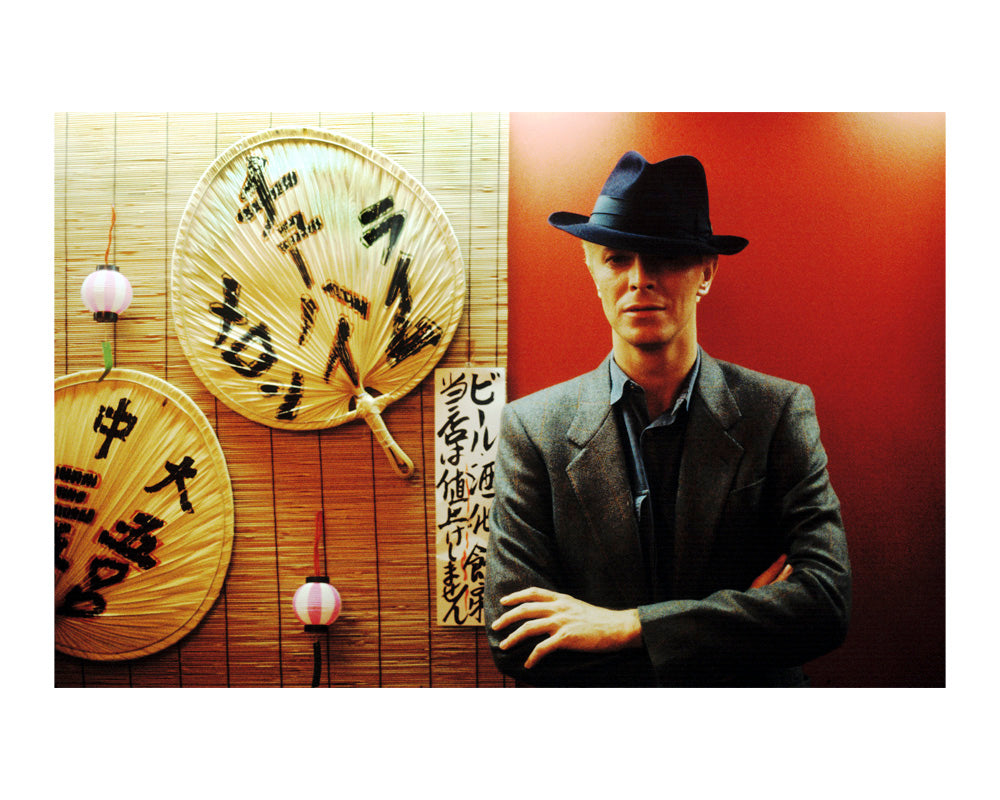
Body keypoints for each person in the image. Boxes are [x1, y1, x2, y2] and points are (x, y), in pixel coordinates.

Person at [484, 152, 851, 687]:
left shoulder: (776, 411)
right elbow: (517, 642)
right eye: (617, 259)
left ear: (706, 273)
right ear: (592, 271)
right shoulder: (532, 429)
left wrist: (624, 628)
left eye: (665, 257)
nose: (640, 279)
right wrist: (744, 629)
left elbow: (825, 604)